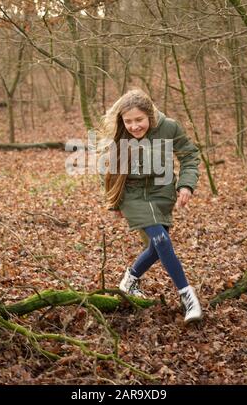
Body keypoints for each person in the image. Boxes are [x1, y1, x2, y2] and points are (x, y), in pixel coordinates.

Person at [98, 89, 203, 324]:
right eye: (128, 121)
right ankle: (188, 297)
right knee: (162, 241)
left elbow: (189, 156)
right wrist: (114, 200)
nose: (134, 126)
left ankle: (130, 279)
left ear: (150, 117)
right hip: (132, 195)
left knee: (157, 247)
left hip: (162, 193)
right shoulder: (120, 134)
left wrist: (186, 185)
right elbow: (105, 168)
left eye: (139, 120)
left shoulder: (169, 128)